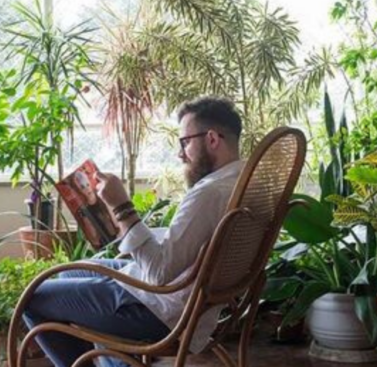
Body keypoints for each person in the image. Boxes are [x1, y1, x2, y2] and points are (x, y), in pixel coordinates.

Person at [23, 97, 244, 367]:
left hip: (160, 310)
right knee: (71, 270)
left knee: (32, 298)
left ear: (211, 139)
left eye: (185, 142)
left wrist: (121, 207)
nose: (180, 153)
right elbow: (189, 247)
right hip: (187, 303)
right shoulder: (241, 183)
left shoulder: (208, 194)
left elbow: (159, 273)